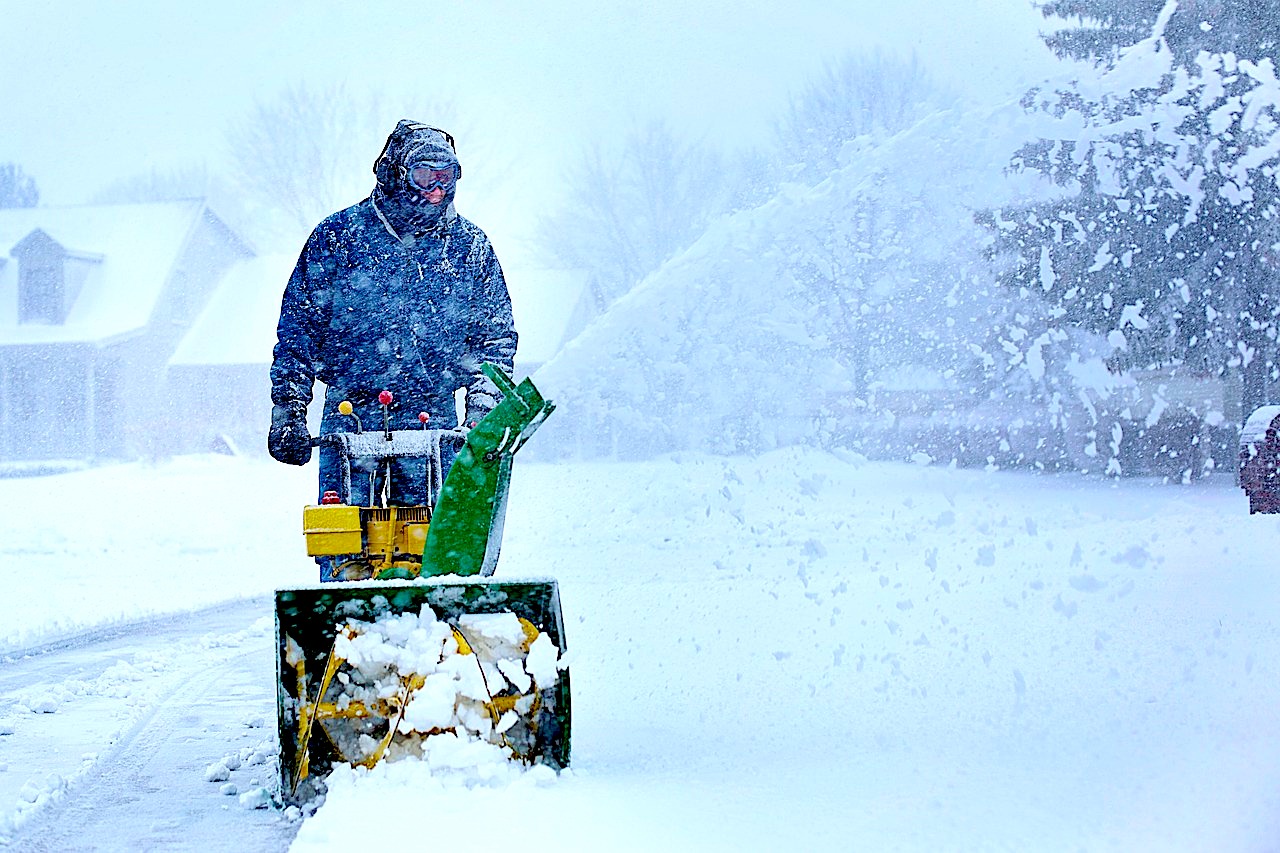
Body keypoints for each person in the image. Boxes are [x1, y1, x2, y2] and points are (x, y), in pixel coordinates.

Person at [267, 120, 517, 515]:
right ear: (395, 175)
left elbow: (495, 340)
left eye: (446, 176)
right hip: (350, 414)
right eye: (424, 175)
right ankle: (346, 577)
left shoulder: (469, 248)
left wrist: (482, 416)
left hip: (433, 418)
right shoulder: (339, 238)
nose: (437, 190)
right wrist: (289, 410)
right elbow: (299, 330)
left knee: (431, 541)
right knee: (345, 539)